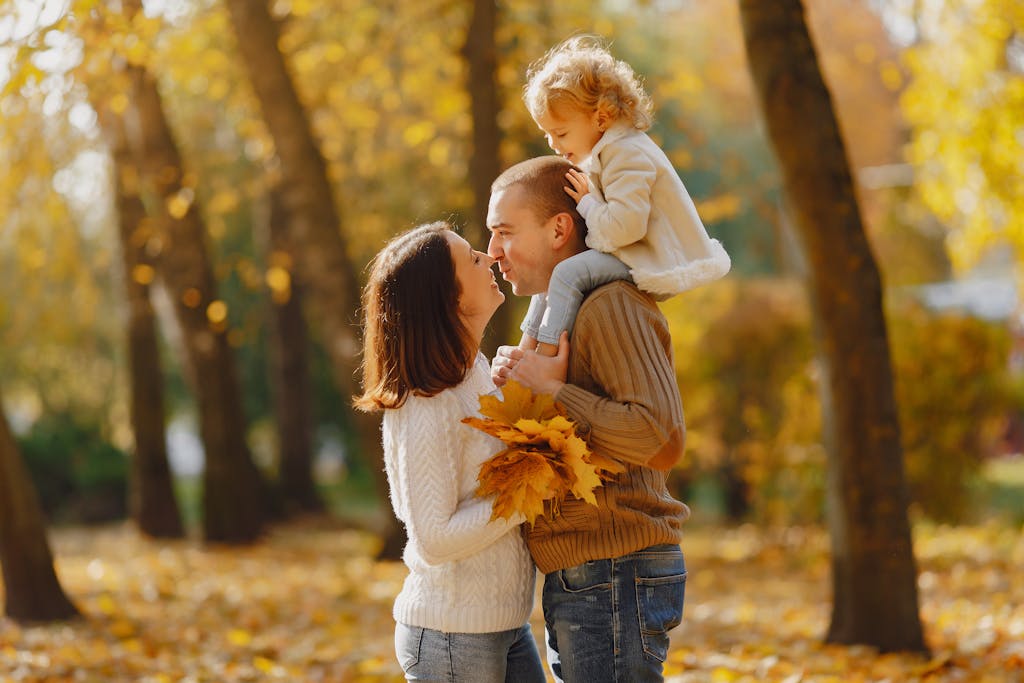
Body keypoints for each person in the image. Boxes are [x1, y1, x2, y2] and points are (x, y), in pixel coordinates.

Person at [487, 155, 690, 682]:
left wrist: (553, 387)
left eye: (505, 233)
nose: (494, 253)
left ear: (559, 228)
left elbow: (659, 438)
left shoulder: (608, 306)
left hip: (614, 571)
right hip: (591, 573)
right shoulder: (562, 315)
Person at [354, 222, 546, 682]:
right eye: (473, 259)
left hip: (503, 625)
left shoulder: (473, 372)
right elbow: (435, 539)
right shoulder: (426, 404)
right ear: (450, 298)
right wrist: (526, 494)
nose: (489, 257)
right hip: (451, 636)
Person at [517, 35, 730, 357]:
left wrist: (587, 203)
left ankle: (546, 357)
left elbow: (625, 228)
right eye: (546, 133)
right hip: (631, 249)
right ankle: (525, 348)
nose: (551, 142)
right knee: (554, 266)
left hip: (651, 255)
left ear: (600, 118)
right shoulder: (609, 151)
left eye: (560, 133)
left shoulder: (626, 154)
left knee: (565, 273)